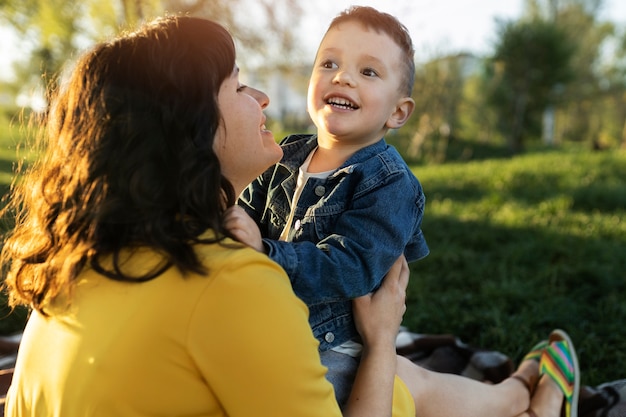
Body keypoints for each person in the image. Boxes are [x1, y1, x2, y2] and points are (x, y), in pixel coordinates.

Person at [0, 15, 416, 417]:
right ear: (193, 125)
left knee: (433, 388)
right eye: (237, 86)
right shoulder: (233, 285)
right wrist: (382, 344)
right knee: (420, 390)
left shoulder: (78, 265)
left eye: (369, 72)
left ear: (399, 112)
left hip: (322, 337)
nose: (261, 98)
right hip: (331, 358)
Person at [224, 6, 579, 417]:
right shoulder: (287, 154)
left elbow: (351, 265)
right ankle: (520, 394)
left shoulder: (388, 182)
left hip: (331, 346)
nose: (342, 77)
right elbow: (247, 211)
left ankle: (518, 397)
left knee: (406, 384)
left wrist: (266, 255)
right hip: (274, 324)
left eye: (368, 72)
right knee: (412, 380)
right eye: (329, 63)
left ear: (398, 112)